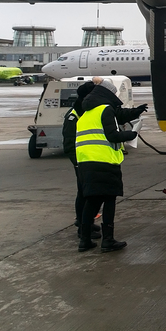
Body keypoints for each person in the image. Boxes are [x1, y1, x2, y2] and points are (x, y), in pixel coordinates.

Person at [76, 77, 147, 253]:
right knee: (109, 201)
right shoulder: (105, 109)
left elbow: (117, 116)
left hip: (86, 163)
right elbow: (112, 135)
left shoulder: (86, 113)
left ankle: (84, 241)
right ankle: (108, 240)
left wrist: (134, 112)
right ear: (107, 94)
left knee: (91, 203)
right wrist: (131, 135)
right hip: (105, 162)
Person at [62, 81, 100, 242]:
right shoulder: (74, 115)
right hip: (82, 161)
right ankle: (83, 226)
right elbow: (69, 143)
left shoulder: (88, 111)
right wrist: (77, 163)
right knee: (86, 194)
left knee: (93, 193)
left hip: (92, 158)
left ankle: (87, 222)